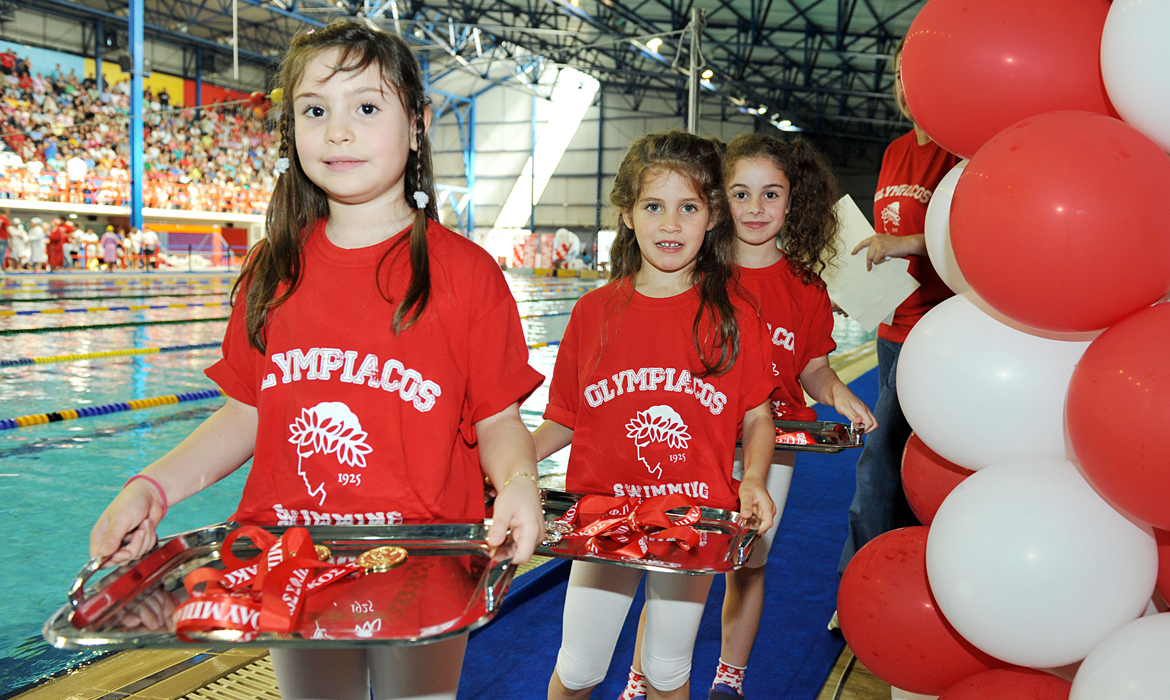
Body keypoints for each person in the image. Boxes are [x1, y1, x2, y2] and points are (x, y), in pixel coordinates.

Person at [87, 20, 545, 700]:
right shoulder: (272, 272)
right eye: (315, 110)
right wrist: (150, 488)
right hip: (291, 553)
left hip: (425, 557)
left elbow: (500, 417)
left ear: (417, 125)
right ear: (291, 130)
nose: (338, 131)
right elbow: (245, 413)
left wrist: (517, 483)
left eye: (366, 107)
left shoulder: (467, 274)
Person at [620, 133, 879, 700]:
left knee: (749, 562)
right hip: (694, 444)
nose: (756, 209)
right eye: (741, 194)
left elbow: (813, 367)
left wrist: (838, 392)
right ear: (717, 199)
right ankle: (645, 672)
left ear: (794, 201)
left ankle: (729, 676)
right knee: (673, 563)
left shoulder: (806, 288)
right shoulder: (692, 274)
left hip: (772, 445)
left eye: (771, 194)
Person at [535, 131, 779, 700]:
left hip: (691, 520)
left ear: (713, 216)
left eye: (687, 208)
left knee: (668, 671)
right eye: (654, 206)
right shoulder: (593, 313)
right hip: (603, 517)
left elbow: (758, 417)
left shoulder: (736, 315)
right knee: (577, 670)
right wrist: (504, 463)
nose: (670, 224)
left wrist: (755, 480)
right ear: (627, 214)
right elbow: (563, 420)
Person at [836, 38, 960, 581]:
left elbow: (968, 238)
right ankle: (903, 562)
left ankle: (861, 575)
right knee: (904, 454)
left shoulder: (958, 154)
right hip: (890, 324)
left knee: (880, 457)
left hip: (934, 329)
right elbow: (879, 237)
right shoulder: (894, 151)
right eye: (904, 78)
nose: (910, 90)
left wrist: (904, 243)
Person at [0, 208, 9, 272]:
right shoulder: (6, 220)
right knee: (2, 254)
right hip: (3, 238)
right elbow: (8, 229)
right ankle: (1, 267)